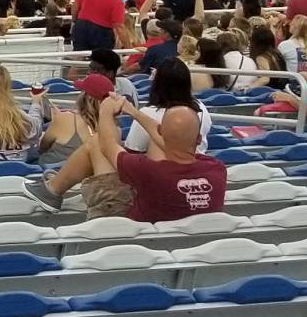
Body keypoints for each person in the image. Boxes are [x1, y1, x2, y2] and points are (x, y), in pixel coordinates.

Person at [35, 90, 227, 221]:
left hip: (131, 231)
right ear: (199, 138)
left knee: (96, 142)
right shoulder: (217, 170)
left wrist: (106, 111)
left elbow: (108, 144)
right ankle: (52, 189)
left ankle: (52, 190)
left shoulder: (150, 171)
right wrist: (132, 111)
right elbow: (174, 145)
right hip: (180, 242)